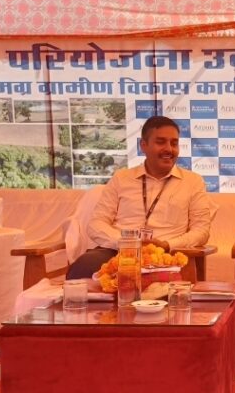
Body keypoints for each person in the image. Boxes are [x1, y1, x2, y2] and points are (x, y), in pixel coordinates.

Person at [66, 116, 213, 279]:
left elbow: (201, 231)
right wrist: (127, 244)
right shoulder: (121, 178)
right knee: (82, 267)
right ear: (143, 145)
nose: (169, 149)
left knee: (154, 278)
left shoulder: (193, 182)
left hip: (165, 255)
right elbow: (96, 224)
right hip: (118, 251)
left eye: (174, 143)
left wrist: (166, 245)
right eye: (160, 142)